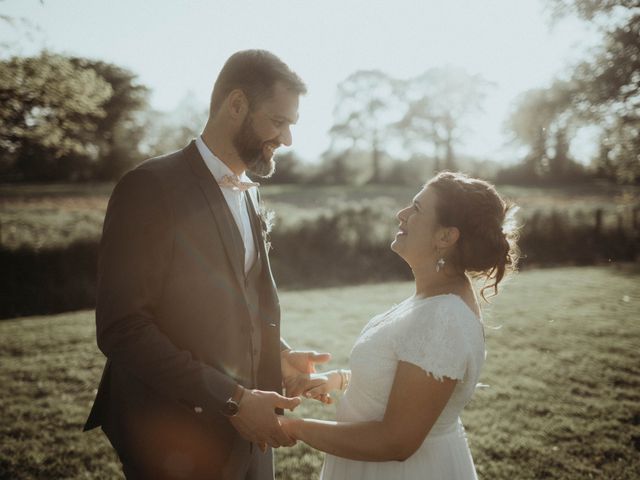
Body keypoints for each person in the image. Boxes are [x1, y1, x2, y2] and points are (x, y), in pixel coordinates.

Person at [83, 49, 330, 480]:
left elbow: (233, 298)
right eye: (278, 121)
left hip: (249, 428)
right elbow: (123, 329)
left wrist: (279, 354)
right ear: (236, 105)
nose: (287, 139)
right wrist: (232, 399)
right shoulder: (149, 187)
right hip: (171, 435)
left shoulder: (249, 190)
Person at [280, 171, 520, 479]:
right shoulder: (434, 300)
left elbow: (396, 441)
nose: (401, 214)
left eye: (417, 208)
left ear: (446, 236)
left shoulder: (443, 318)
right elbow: (408, 378)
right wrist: (338, 380)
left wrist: (292, 427)